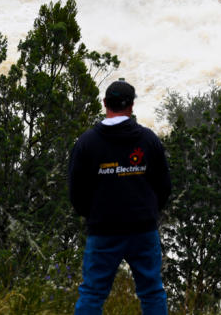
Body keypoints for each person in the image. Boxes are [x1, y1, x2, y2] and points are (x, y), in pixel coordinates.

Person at [68, 78, 172, 315]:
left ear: (104, 102)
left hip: (103, 230)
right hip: (143, 228)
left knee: (93, 293)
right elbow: (164, 186)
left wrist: (93, 214)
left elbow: (76, 192)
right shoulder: (148, 139)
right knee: (152, 291)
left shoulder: (87, 142)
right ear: (132, 106)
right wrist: (150, 212)